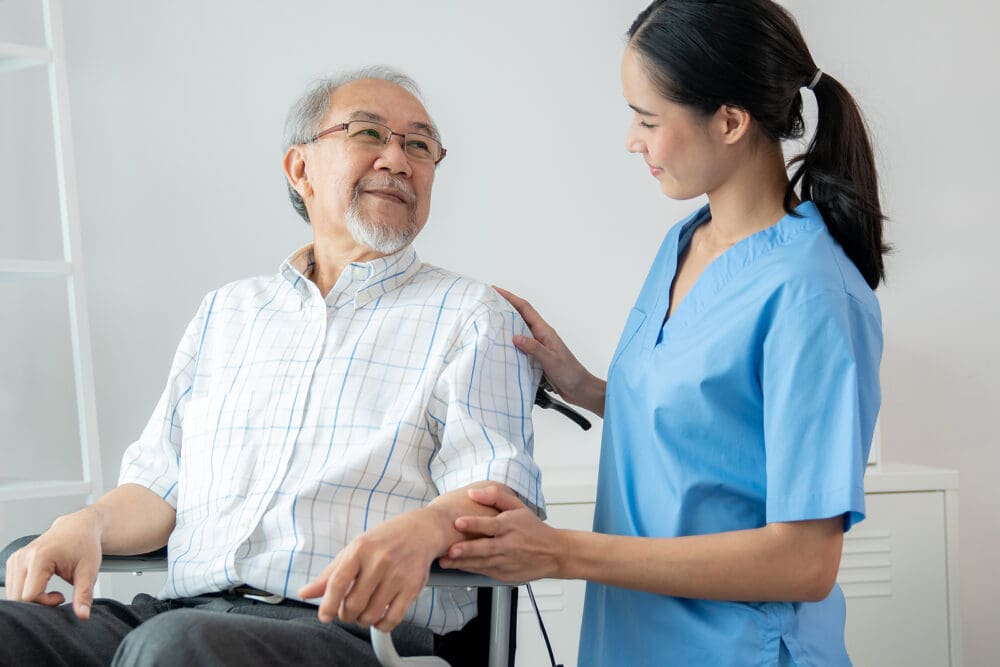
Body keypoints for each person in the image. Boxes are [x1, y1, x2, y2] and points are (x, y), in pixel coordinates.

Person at [0, 66, 544, 667]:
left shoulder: (474, 314)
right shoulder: (227, 311)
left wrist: (431, 526)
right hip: (181, 612)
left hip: (350, 634)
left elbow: (498, 495)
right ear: (300, 169)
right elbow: (158, 487)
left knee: (175, 650)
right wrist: (87, 524)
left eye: (419, 145)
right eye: (369, 134)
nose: (397, 159)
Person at [439, 1, 885, 664]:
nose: (632, 140)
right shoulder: (687, 242)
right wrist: (582, 383)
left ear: (730, 120)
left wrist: (560, 550)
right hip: (631, 641)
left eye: (648, 119)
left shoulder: (810, 292)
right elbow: (711, 437)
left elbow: (803, 561)